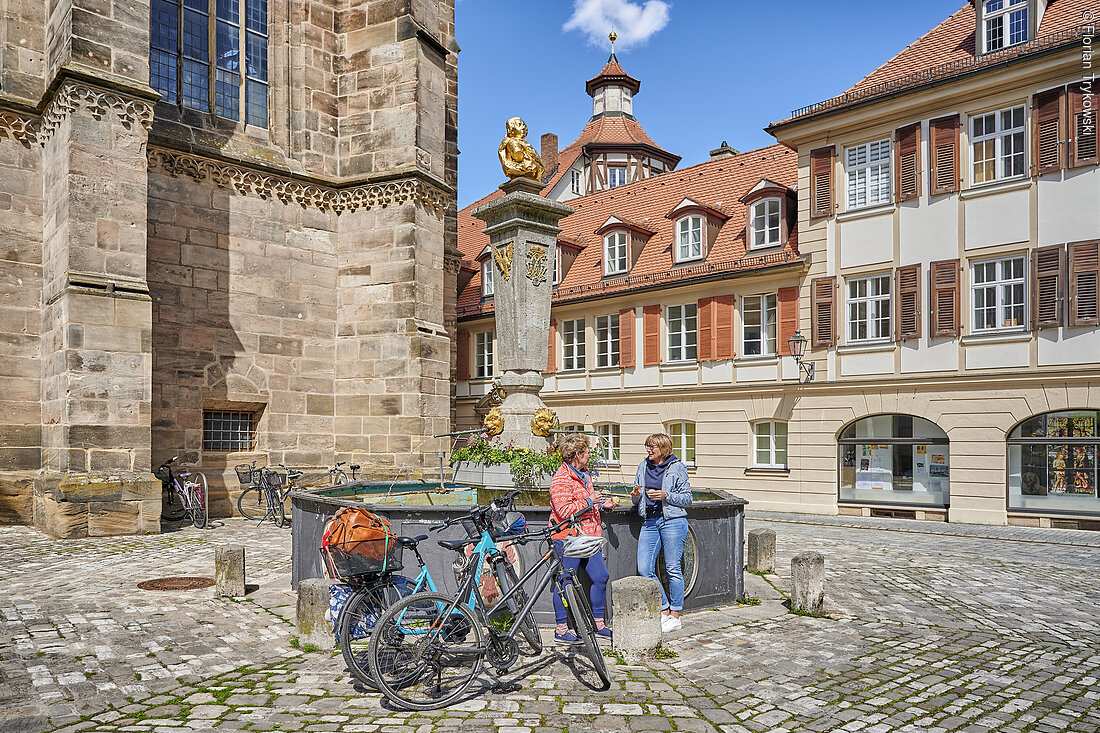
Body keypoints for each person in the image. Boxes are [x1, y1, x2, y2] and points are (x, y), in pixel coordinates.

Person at [548, 433, 615, 643]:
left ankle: (598, 625)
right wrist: (589, 500)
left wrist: (602, 505)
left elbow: (588, 504)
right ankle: (561, 629)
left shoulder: (584, 474)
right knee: (565, 581)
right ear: (576, 454)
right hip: (567, 537)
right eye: (586, 453)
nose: (589, 456)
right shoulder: (561, 478)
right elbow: (564, 511)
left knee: (601, 577)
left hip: (587, 536)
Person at [632, 433, 692, 632]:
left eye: (652, 447)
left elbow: (687, 499)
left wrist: (666, 495)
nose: (648, 450)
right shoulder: (642, 466)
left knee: (673, 568)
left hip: (672, 521)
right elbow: (636, 499)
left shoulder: (677, 468)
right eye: (647, 446)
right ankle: (664, 608)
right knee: (644, 568)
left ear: (663, 448)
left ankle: (675, 615)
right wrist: (635, 496)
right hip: (649, 521)